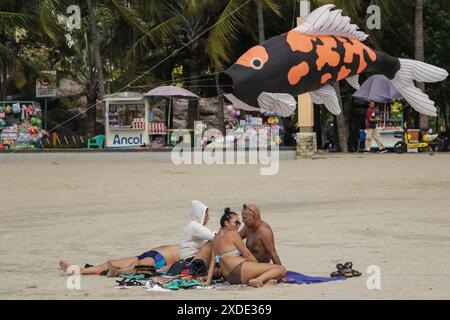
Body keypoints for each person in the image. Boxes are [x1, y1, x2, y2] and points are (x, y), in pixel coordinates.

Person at [206, 208, 286, 287]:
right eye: (236, 222)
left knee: (271, 280)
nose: (238, 225)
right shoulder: (233, 233)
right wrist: (258, 267)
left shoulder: (216, 238)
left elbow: (213, 261)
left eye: (239, 223)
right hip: (239, 269)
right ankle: (259, 279)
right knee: (281, 269)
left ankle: (262, 280)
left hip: (230, 278)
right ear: (226, 223)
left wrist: (208, 281)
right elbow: (247, 254)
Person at [59, 245, 179, 277]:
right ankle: (78, 270)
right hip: (148, 254)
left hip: (159, 259)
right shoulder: (190, 245)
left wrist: (167, 268)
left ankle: (118, 272)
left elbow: (183, 265)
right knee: (110, 262)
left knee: (138, 267)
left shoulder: (194, 253)